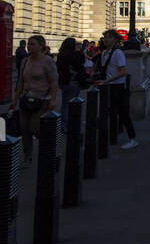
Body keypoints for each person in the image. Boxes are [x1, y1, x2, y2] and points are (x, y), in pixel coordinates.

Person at [9, 34, 58, 164]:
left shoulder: (48, 61)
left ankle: (49, 149)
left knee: (35, 128)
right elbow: (20, 81)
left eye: (32, 44)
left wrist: (53, 100)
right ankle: (27, 155)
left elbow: (53, 83)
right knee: (24, 130)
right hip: (26, 99)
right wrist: (15, 99)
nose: (29, 47)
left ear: (41, 46)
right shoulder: (25, 61)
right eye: (29, 44)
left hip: (42, 99)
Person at [97, 30, 138, 149]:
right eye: (105, 37)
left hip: (118, 87)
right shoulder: (104, 52)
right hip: (108, 86)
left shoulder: (118, 53)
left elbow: (122, 72)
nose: (106, 40)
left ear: (115, 40)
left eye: (109, 38)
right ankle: (111, 137)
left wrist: (107, 81)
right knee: (111, 113)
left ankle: (133, 138)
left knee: (123, 114)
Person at [55, 36, 90, 120]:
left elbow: (58, 68)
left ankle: (63, 124)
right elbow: (80, 68)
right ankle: (67, 125)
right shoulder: (75, 55)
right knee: (72, 104)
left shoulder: (60, 54)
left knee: (65, 103)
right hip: (73, 81)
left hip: (63, 82)